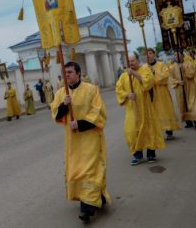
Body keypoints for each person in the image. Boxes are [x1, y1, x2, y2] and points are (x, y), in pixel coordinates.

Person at [51, 61, 110, 223]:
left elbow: (99, 112)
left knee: (89, 169)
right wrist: (64, 105)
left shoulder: (91, 90)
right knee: (77, 170)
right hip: (73, 141)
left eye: (70, 72)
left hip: (90, 136)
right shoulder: (61, 93)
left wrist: (81, 123)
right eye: (65, 72)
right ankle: (98, 195)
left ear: (78, 73)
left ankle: (87, 208)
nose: (67, 75)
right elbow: (56, 114)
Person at [115, 55, 165, 165]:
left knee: (149, 130)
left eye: (132, 61)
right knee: (131, 131)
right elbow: (118, 90)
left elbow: (149, 83)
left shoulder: (145, 69)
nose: (130, 63)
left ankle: (151, 154)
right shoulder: (124, 76)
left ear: (137, 61)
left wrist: (134, 74)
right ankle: (137, 155)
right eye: (128, 61)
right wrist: (127, 95)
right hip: (132, 109)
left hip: (145, 108)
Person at [147, 48, 179, 140]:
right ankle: (158, 133)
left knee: (165, 111)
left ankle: (169, 131)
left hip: (162, 92)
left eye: (150, 53)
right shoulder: (145, 67)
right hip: (151, 93)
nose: (148, 55)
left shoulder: (161, 65)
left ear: (154, 54)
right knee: (154, 112)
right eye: (147, 54)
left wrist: (154, 73)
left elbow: (165, 76)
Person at [170, 51, 196, 130]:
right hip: (179, 89)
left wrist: (183, 69)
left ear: (182, 55)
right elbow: (171, 78)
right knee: (182, 105)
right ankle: (188, 121)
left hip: (190, 87)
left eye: (178, 54)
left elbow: (192, 74)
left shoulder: (189, 63)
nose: (176, 56)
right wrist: (178, 82)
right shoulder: (172, 67)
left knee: (192, 103)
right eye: (174, 55)